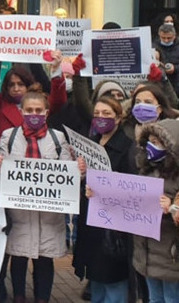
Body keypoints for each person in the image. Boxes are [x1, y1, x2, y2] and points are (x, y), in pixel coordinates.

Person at [0, 87, 81, 303]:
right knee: (19, 256)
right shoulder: (9, 137)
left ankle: (42, 298)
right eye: (29, 110)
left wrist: (77, 170)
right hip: (19, 212)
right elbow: (3, 176)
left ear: (46, 113)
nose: (34, 114)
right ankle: (19, 296)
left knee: (45, 259)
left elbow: (66, 173)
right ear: (21, 111)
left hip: (48, 214)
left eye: (38, 110)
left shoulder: (58, 138)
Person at [73, 96, 137, 303]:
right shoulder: (90, 145)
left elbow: (132, 189)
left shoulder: (128, 147)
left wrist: (105, 189)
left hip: (114, 230)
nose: (101, 118)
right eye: (97, 114)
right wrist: (82, 175)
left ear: (118, 118)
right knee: (97, 283)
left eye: (107, 114)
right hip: (91, 227)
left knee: (114, 284)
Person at [129, 119, 179, 301]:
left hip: (170, 253)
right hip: (147, 251)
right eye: (149, 142)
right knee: (154, 299)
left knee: (171, 298)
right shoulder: (146, 170)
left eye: (157, 142)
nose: (151, 146)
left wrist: (171, 207)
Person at [0, 42, 67, 138]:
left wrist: (56, 70)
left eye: (20, 84)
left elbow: (58, 101)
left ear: (28, 85)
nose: (16, 89)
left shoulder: (40, 103)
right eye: (11, 85)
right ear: (6, 87)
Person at [154, 23, 179, 93]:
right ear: (159, 35)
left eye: (169, 38)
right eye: (163, 38)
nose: (166, 40)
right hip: (160, 84)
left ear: (174, 36)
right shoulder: (154, 46)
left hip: (176, 83)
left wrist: (175, 68)